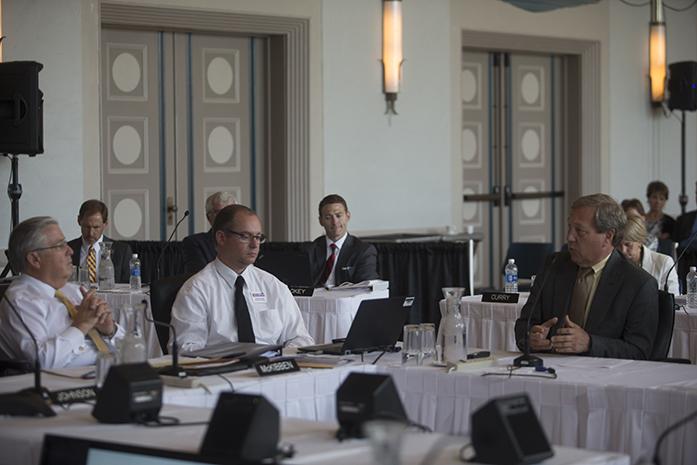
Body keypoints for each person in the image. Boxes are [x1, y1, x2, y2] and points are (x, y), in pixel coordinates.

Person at [514, 194, 658, 360]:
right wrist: (532, 338)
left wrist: (590, 344)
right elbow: (524, 324)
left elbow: (639, 351)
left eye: (580, 231)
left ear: (608, 236)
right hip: (550, 371)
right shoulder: (553, 265)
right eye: (569, 228)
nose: (569, 237)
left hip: (604, 378)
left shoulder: (638, 284)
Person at [170, 205, 314, 352]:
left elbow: (300, 338)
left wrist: (281, 356)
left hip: (270, 368)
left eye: (258, 237)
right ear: (221, 238)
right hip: (222, 371)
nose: (254, 245)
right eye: (245, 236)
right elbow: (185, 349)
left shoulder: (273, 286)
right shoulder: (196, 290)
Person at [0, 217, 124, 368]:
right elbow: (41, 363)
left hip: (113, 371)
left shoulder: (72, 290)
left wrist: (110, 330)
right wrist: (82, 325)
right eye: (60, 246)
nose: (70, 251)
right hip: (68, 384)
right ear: (34, 259)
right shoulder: (21, 301)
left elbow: (129, 347)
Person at [309, 194, 379, 287]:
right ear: (321, 221)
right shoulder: (310, 250)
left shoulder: (363, 251)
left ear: (347, 216)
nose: (334, 222)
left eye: (338, 216)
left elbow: (366, 287)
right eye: (328, 218)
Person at [67, 200, 132, 284]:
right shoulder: (67, 249)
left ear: (105, 224)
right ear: (79, 221)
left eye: (96, 227)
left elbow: (128, 288)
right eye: (87, 227)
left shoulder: (122, 251)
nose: (91, 233)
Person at [618, 214, 679, 295]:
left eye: (628, 245)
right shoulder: (612, 263)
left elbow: (672, 302)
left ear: (640, 241)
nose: (623, 250)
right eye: (618, 245)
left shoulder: (664, 263)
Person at [182, 191, 237, 274]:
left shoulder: (249, 240)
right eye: (220, 213)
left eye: (230, 212)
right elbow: (200, 276)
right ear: (209, 217)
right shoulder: (194, 243)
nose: (226, 217)